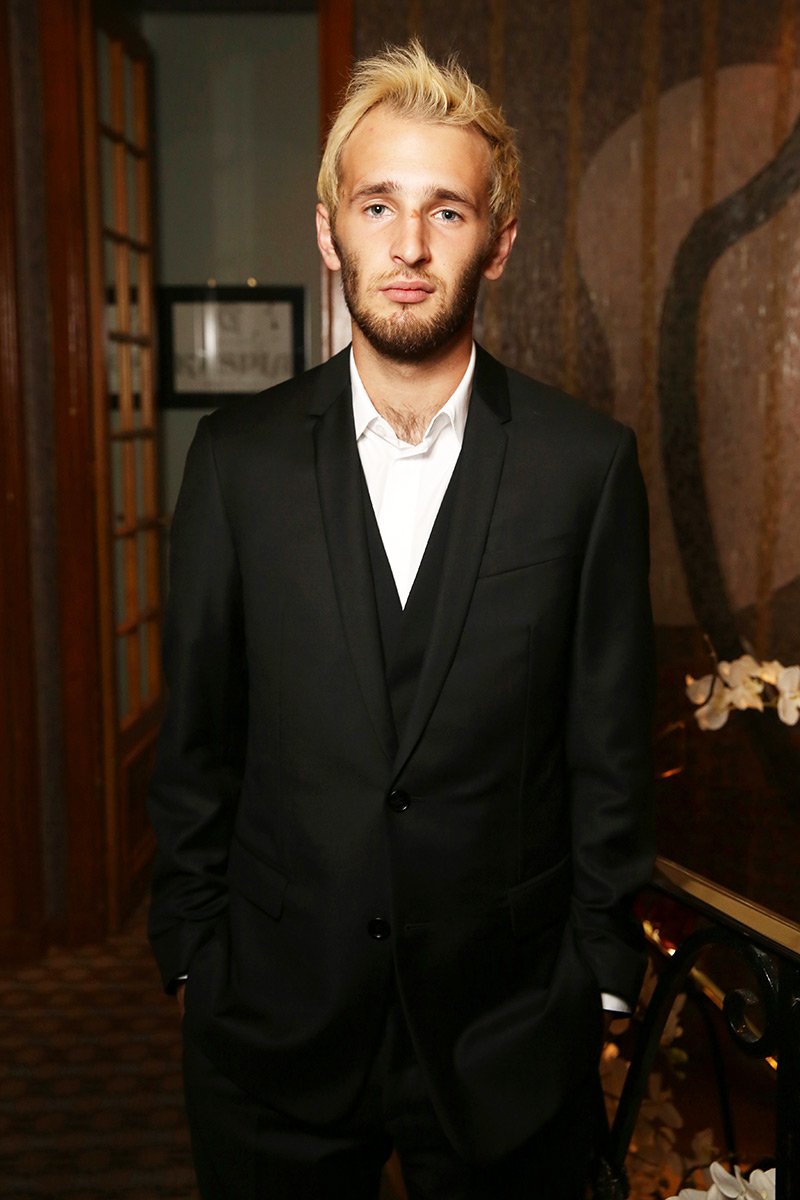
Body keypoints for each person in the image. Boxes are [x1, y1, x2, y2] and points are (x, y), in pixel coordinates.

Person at [148, 40, 655, 1200]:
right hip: (270, 1023)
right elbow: (197, 745)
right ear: (329, 232)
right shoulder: (235, 463)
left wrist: (598, 978)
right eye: (376, 205)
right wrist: (192, 954)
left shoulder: (584, 468)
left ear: (498, 242)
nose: (409, 245)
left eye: (446, 211)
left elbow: (608, 750)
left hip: (508, 1030)